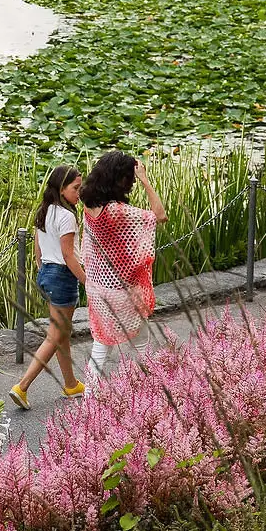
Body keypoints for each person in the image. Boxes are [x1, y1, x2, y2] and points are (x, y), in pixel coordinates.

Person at [77, 150, 166, 385]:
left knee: (100, 347)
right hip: (122, 290)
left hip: (98, 289)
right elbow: (160, 215)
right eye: (131, 179)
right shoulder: (117, 211)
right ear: (120, 179)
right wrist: (146, 179)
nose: (134, 183)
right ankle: (149, 391)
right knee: (142, 344)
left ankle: (89, 401)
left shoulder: (89, 205)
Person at [8, 166, 87, 408]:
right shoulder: (67, 217)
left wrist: (43, 271)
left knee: (61, 332)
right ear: (62, 189)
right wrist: (88, 282)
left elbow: (38, 252)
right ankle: (22, 386)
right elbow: (68, 256)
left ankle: (71, 384)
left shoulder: (45, 211)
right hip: (63, 276)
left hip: (47, 274)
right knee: (54, 336)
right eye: (75, 188)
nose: (79, 192)